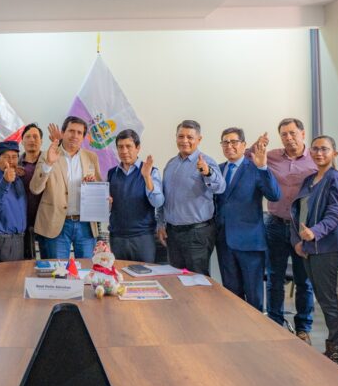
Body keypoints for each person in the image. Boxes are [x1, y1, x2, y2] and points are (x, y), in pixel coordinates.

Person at [290, 135, 338, 366]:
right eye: (315, 149)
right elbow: (298, 212)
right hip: (308, 247)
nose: (319, 153)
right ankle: (337, 347)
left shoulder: (335, 178)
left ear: (334, 153)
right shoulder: (310, 179)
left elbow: (335, 213)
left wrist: (315, 232)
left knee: (328, 299)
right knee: (322, 299)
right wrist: (298, 241)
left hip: (326, 247)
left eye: (324, 149)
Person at [263, 117, 317, 342]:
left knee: (303, 280)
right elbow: (247, 156)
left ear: (303, 134)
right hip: (275, 224)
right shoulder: (272, 156)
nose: (288, 138)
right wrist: (258, 146)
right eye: (284, 134)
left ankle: (303, 328)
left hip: (302, 227)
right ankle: (275, 324)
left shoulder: (315, 158)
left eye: (292, 133)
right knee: (274, 278)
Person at [213, 128, 280, 311]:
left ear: (244, 145)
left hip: (250, 243)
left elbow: (274, 195)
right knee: (231, 296)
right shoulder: (217, 169)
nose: (229, 146)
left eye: (234, 142)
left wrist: (263, 167)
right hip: (224, 243)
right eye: (225, 142)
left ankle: (256, 329)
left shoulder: (256, 167)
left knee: (253, 297)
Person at [156, 120, 225, 275]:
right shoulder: (171, 164)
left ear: (199, 139)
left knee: (197, 281)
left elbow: (220, 187)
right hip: (172, 233)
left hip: (197, 234)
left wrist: (207, 172)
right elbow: (163, 198)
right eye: (181, 136)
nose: (185, 141)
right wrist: (160, 224)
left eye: (190, 137)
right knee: (176, 279)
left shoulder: (207, 162)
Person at [29, 117, 102, 259]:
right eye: (71, 131)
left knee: (87, 269)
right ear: (63, 133)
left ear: (83, 137)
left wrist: (93, 187)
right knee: (57, 270)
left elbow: (98, 187)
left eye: (79, 133)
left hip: (85, 225)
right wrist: (48, 164)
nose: (75, 136)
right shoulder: (48, 154)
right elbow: (35, 188)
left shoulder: (91, 157)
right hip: (56, 224)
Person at [107, 129, 163, 263]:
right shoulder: (111, 173)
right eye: (120, 147)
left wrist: (147, 177)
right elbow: (110, 207)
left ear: (138, 148)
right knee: (119, 275)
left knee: (145, 275)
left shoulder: (151, 171)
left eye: (128, 146)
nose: (124, 151)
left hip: (143, 237)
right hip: (117, 237)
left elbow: (158, 202)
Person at [0, 140, 27, 262]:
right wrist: (5, 181)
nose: (11, 161)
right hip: (3, 240)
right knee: (3, 274)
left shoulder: (18, 178)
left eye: (14, 157)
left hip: (20, 239)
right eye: (6, 157)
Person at [18, 123, 44, 258]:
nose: (31, 140)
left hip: (46, 221)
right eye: (27, 137)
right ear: (22, 141)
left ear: (41, 141)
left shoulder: (50, 163)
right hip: (22, 222)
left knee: (49, 261)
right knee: (24, 263)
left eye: (35, 136)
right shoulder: (15, 164)